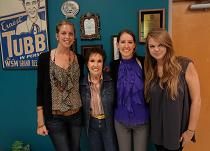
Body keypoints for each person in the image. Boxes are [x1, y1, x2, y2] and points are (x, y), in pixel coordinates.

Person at [144, 28, 201, 151]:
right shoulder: (150, 70)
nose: (156, 49)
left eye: (160, 45)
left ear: (168, 45)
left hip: (176, 134)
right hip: (157, 134)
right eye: (152, 46)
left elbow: (196, 100)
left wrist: (190, 131)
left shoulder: (184, 65)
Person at [36, 20, 84, 151]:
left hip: (76, 116)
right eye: (63, 33)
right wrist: (40, 123)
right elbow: (40, 89)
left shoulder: (79, 58)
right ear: (57, 35)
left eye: (70, 33)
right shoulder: (44, 58)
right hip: (55, 118)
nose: (67, 37)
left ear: (74, 37)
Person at [110, 29, 149, 151]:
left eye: (130, 42)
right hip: (120, 120)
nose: (126, 45)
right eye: (122, 42)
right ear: (117, 45)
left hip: (142, 120)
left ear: (134, 45)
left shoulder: (145, 63)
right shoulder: (113, 65)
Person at [80, 48, 118, 151]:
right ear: (87, 64)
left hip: (108, 123)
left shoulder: (111, 80)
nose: (95, 65)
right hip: (92, 125)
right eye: (92, 61)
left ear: (103, 64)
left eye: (99, 61)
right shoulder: (81, 84)